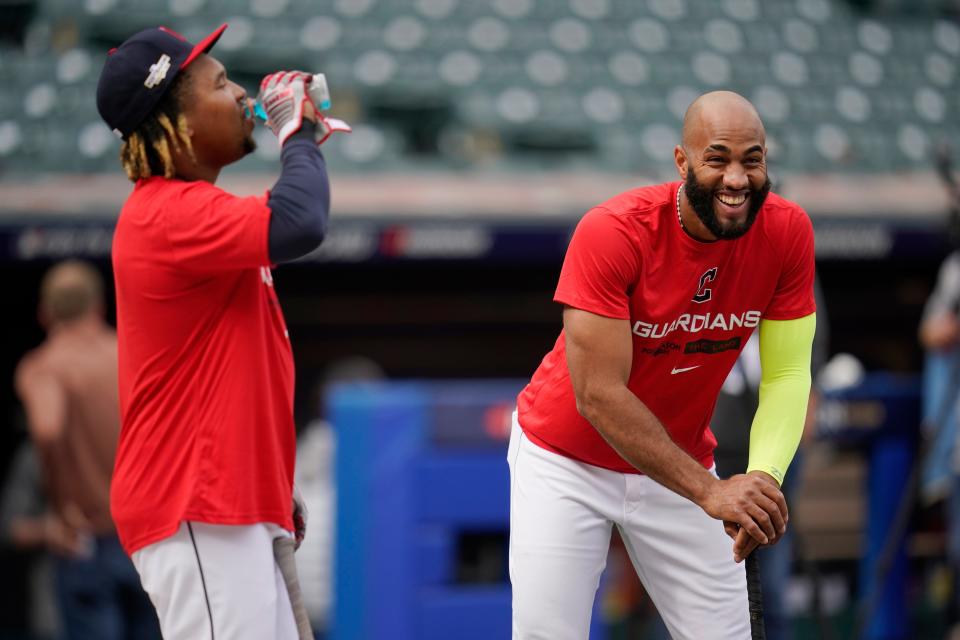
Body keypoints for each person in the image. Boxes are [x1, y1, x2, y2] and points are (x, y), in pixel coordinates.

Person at [510, 90, 817, 639]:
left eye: (753, 159)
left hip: (679, 465)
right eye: (717, 158)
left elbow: (788, 375)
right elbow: (598, 394)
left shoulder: (788, 231)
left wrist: (762, 479)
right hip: (565, 459)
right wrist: (711, 492)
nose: (737, 178)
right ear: (682, 162)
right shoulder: (613, 231)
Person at [95, 23, 349, 639]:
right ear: (173, 121)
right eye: (218, 83)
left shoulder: (191, 212)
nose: (240, 93)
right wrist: (295, 134)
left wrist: (268, 478)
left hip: (228, 501)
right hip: (195, 501)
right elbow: (300, 221)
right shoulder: (166, 212)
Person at [13, 260, 161, 640]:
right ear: (99, 307)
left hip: (90, 539)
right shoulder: (138, 356)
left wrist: (62, 510)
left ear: (45, 313)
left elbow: (47, 428)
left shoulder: (45, 367)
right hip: (152, 536)